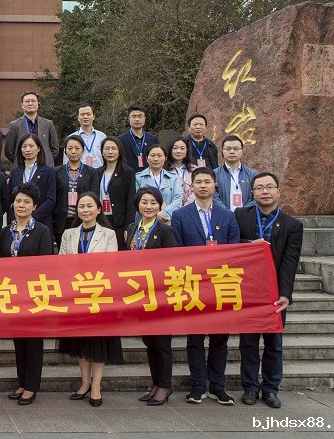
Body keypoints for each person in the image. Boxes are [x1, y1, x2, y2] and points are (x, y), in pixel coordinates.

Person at [171, 166, 240, 407]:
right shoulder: (180, 215)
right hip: (193, 284)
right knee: (195, 339)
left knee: (220, 339)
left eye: (207, 182)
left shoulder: (228, 216)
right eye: (198, 182)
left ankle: (218, 386)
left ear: (215, 186)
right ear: (191, 187)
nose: (202, 186)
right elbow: (177, 251)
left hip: (221, 284)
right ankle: (198, 385)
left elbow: (234, 251)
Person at [236, 172, 303, 409]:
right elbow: (230, 246)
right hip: (247, 290)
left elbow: (290, 262)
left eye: (269, 187)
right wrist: (249, 245)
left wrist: (285, 294)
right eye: (259, 188)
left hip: (274, 293)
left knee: (274, 343)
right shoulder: (240, 216)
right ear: (252, 193)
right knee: (248, 343)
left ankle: (271, 388)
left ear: (278, 192)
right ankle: (250, 387)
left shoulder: (292, 225)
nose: (265, 191)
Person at [58, 193, 123, 407]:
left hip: (99, 294)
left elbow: (111, 263)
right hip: (75, 294)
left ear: (98, 210)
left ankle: (96, 386)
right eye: (81, 206)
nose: (85, 210)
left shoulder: (108, 234)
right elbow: (62, 262)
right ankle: (85, 382)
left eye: (89, 206)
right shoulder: (68, 234)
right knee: (80, 341)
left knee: (97, 343)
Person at [122, 187, 177, 406]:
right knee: (149, 342)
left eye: (153, 202)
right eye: (144, 202)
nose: (149, 206)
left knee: (162, 343)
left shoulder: (164, 230)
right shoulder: (132, 228)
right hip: (140, 295)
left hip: (160, 295)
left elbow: (171, 262)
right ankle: (155, 384)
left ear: (160, 205)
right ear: (138, 205)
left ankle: (165, 385)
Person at [1, 182, 55, 405]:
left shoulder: (42, 231)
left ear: (34, 206)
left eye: (26, 202)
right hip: (13, 295)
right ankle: (22, 382)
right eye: (18, 201)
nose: (21, 205)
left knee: (33, 341)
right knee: (18, 341)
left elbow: (45, 265)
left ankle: (32, 386)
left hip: (33, 295)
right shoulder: (5, 231)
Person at [6, 133, 55, 232]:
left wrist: (31, 217)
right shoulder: (15, 172)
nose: (27, 149)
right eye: (24, 146)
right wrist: (14, 218)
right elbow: (10, 199)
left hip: (41, 223)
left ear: (39, 148)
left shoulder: (48, 171)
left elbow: (51, 200)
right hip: (18, 223)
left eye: (31, 146)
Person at [54, 135, 97, 246]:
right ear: (65, 150)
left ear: (82, 150)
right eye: (70, 148)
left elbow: (95, 197)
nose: (73, 151)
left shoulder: (91, 172)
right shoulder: (56, 172)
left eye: (77, 148)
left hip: (84, 220)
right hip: (62, 221)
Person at [4, 91, 58, 168]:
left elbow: (55, 149)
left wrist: (45, 159)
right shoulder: (14, 125)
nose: (30, 104)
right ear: (22, 105)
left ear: (38, 104)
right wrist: (21, 161)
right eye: (27, 101)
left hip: (44, 167)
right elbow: (9, 151)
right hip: (22, 167)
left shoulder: (48, 124)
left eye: (33, 101)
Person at [97, 136, 137, 240]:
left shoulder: (127, 172)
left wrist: (128, 226)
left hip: (119, 221)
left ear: (120, 151)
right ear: (102, 152)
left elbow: (131, 201)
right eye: (107, 148)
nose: (110, 152)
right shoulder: (97, 172)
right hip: (100, 220)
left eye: (114, 148)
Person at [134, 143, 183, 224]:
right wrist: (153, 213)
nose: (156, 159)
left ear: (165, 159)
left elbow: (178, 199)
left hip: (167, 220)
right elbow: (135, 200)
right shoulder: (138, 178)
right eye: (152, 155)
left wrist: (165, 213)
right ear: (147, 158)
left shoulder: (173, 178)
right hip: (144, 220)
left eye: (160, 155)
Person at [214, 135, 258, 211]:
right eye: (228, 149)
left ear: (242, 151)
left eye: (236, 149)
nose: (232, 152)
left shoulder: (252, 174)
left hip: (247, 215)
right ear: (222, 152)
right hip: (222, 216)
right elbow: (213, 197)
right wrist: (227, 213)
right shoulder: (214, 174)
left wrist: (242, 213)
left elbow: (256, 197)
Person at [117, 105, 159, 172]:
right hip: (128, 175)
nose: (137, 119)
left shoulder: (153, 139)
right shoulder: (120, 140)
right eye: (134, 116)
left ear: (145, 119)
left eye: (140, 116)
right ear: (129, 119)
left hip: (149, 175)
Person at [167, 138, 195, 206]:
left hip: (191, 207)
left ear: (187, 150)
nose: (178, 151)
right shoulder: (164, 170)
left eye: (182, 148)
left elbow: (197, 191)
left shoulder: (195, 169)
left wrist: (186, 207)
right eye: (175, 148)